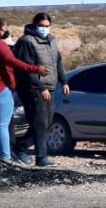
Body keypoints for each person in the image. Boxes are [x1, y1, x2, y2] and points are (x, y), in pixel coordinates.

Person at [0, 15, 48, 163]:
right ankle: (6, 158)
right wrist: (35, 69)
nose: (5, 31)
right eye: (4, 29)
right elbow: (13, 61)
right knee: (2, 126)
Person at [12, 12, 68, 167]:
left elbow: (57, 62)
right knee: (40, 123)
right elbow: (27, 68)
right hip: (33, 89)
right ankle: (41, 158)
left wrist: (64, 81)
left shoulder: (51, 40)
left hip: (50, 87)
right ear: (35, 25)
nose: (45, 29)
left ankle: (20, 147)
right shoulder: (27, 42)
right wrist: (40, 86)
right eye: (42, 26)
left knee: (47, 122)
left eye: (47, 26)